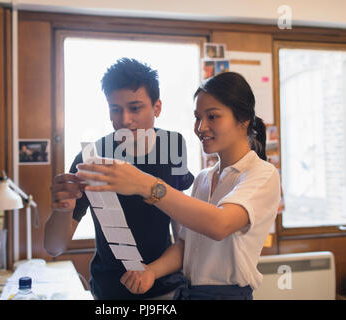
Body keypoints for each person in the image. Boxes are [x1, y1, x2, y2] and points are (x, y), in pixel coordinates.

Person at [76, 72, 282, 300]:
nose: (201, 127)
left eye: (212, 117)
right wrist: (151, 272)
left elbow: (220, 224)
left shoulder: (262, 174)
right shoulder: (204, 178)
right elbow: (186, 243)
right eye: (197, 117)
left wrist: (144, 184)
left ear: (243, 119)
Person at [44, 58, 194, 300]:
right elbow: (54, 247)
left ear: (157, 107)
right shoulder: (91, 157)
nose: (124, 120)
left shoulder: (174, 145)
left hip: (166, 285)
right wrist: (62, 209)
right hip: (110, 291)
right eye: (115, 109)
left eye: (135, 108)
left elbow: (180, 221)